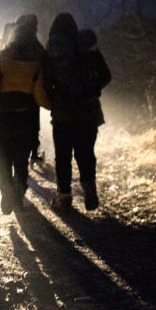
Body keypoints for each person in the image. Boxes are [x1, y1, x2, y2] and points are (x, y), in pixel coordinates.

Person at [46, 12, 112, 211]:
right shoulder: (87, 48)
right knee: (86, 153)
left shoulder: (52, 50)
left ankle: (64, 196)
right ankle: (89, 188)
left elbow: (46, 81)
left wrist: (54, 100)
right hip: (88, 112)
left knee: (63, 156)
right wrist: (92, 90)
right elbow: (106, 75)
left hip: (62, 114)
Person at [0, 14, 50, 214]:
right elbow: (40, 93)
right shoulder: (38, 56)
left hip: (3, 115)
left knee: (3, 157)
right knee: (21, 160)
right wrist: (52, 105)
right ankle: (18, 194)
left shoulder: (2, 56)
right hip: (27, 115)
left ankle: (5, 187)